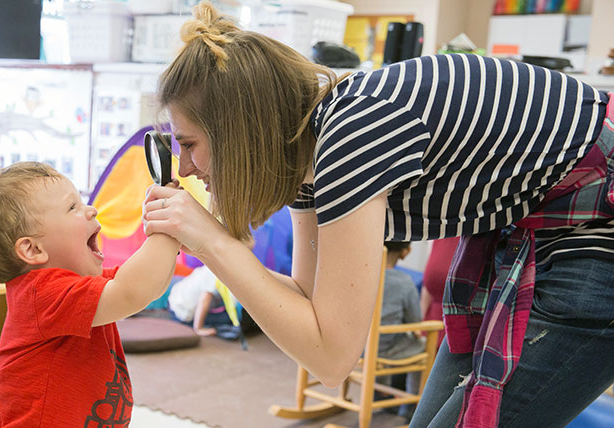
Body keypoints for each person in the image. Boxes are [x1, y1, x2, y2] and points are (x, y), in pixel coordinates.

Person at [142, 2, 614, 427]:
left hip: (595, 229)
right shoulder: (308, 149)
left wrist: (216, 244)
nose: (184, 168)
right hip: (533, 228)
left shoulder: (351, 132)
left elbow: (331, 357)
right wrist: (217, 250)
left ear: (241, 132)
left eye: (188, 144)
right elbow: (308, 305)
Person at [0, 162, 180, 428]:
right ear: (33, 250)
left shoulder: (81, 284)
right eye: (72, 207)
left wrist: (172, 235)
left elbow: (149, 284)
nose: (91, 210)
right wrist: (169, 225)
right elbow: (133, 292)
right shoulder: (42, 294)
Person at [379, 241, 425, 421]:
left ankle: (379, 392)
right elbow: (415, 322)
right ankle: (409, 406)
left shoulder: (364, 273)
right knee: (420, 345)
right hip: (386, 350)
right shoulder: (405, 282)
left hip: (355, 349)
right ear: (406, 252)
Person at [167, 265, 233, 336]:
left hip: (173, 301)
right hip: (181, 313)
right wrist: (199, 328)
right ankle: (197, 326)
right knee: (228, 318)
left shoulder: (210, 266)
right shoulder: (215, 274)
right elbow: (204, 301)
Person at [419, 237, 460, 349]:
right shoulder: (437, 235)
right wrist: (420, 320)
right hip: (431, 322)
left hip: (456, 326)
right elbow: (427, 285)